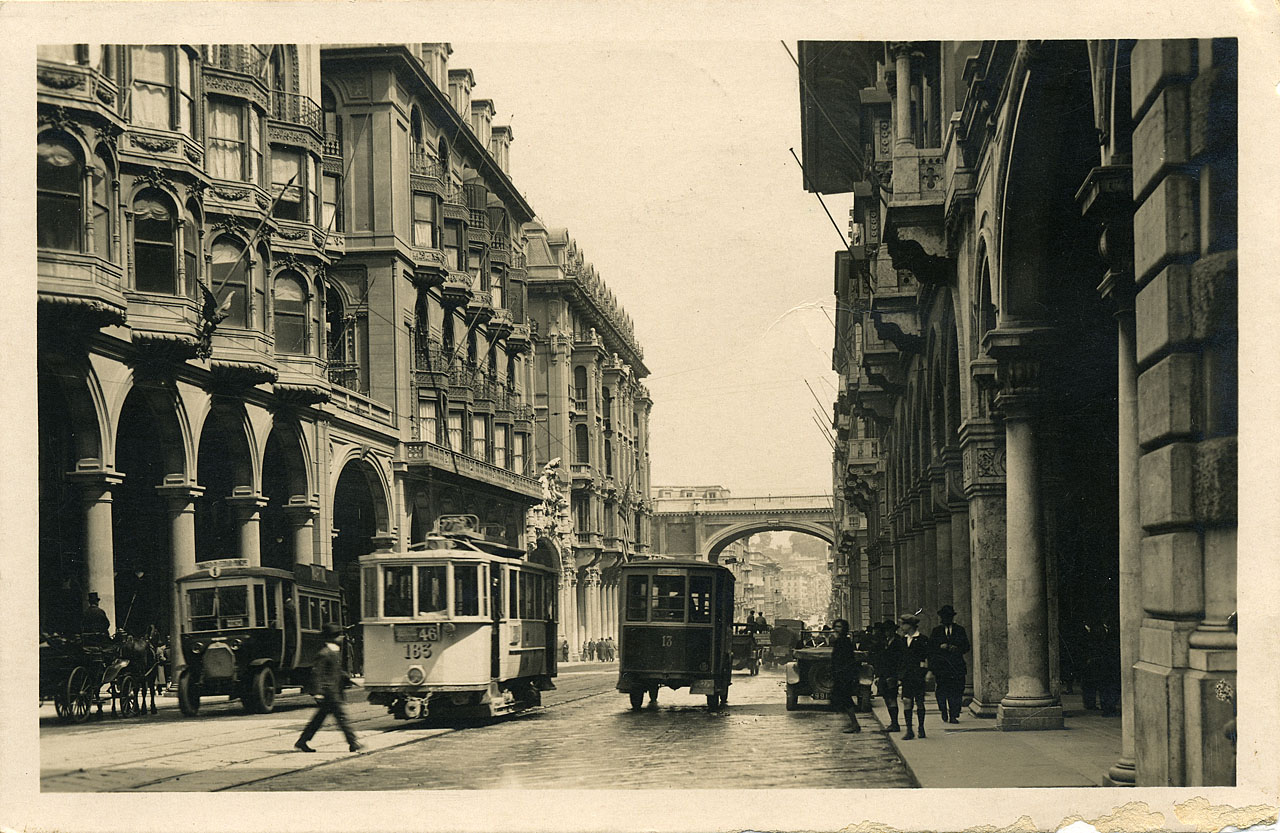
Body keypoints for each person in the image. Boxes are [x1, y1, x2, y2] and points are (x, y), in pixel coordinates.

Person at [295, 622, 361, 753]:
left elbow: (335, 671)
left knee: (318, 720)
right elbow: (317, 673)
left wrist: (349, 678)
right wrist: (318, 692)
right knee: (342, 718)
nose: (341, 638)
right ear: (333, 637)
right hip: (329, 692)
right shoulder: (325, 653)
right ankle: (353, 743)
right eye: (339, 635)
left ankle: (302, 741)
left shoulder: (333, 651)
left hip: (332, 691)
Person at [928, 605, 970, 724]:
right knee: (941, 691)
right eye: (944, 617)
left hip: (956, 667)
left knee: (956, 691)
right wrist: (940, 647)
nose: (946, 619)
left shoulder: (960, 630)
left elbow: (967, 647)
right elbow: (930, 648)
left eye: (949, 617)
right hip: (941, 667)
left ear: (952, 618)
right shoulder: (936, 631)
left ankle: (953, 714)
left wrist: (956, 648)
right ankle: (943, 710)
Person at [896, 614, 930, 740]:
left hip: (918, 675)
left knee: (919, 701)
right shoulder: (902, 640)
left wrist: (928, 672)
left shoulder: (922, 639)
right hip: (906, 676)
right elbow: (899, 659)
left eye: (903, 624)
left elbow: (927, 657)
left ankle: (921, 727)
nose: (901, 627)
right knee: (906, 701)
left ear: (910, 625)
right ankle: (909, 729)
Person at [829, 619, 862, 734]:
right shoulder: (839, 640)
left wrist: (842, 673)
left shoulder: (844, 641)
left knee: (846, 699)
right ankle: (852, 723)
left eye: (840, 627)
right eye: (836, 626)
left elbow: (847, 660)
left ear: (844, 628)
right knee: (843, 699)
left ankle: (854, 724)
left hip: (844, 675)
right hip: (840, 674)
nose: (837, 629)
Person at [871, 620, 903, 733]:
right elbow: (879, 659)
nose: (887, 632)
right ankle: (892, 722)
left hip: (892, 674)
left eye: (889, 630)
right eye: (886, 631)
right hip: (884, 674)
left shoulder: (899, 642)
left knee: (892, 698)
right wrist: (878, 675)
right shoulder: (884, 642)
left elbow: (900, 661)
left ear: (893, 630)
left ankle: (895, 723)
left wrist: (898, 676)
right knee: (886, 698)